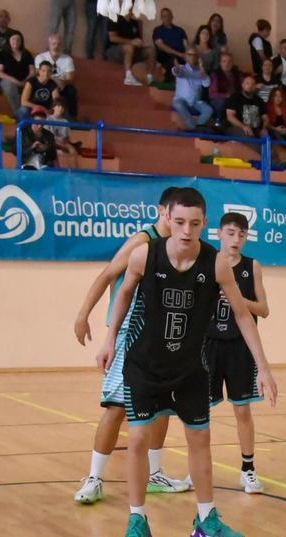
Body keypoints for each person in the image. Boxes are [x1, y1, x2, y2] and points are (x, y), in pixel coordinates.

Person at [98, 188, 278, 537]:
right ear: (167, 218)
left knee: (200, 441)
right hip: (143, 366)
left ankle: (206, 520)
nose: (185, 230)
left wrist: (264, 366)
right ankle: (137, 523)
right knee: (137, 440)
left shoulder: (215, 264)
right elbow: (123, 295)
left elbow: (244, 314)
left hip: (190, 368)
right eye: (179, 222)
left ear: (204, 224)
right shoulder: (144, 255)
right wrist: (109, 337)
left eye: (194, 223)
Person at [69, 189, 193, 505]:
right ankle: (94, 477)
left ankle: (153, 474)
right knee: (116, 406)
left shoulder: (179, 249)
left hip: (162, 337)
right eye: (174, 216)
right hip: (130, 332)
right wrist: (84, 315)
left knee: (164, 405)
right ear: (163, 212)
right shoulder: (142, 241)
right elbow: (107, 275)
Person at [209, 212, 271, 495]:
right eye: (231, 233)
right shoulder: (207, 262)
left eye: (241, 235)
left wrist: (238, 298)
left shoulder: (251, 266)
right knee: (198, 411)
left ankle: (248, 469)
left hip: (240, 347)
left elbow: (263, 310)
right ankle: (198, 469)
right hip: (208, 345)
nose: (236, 240)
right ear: (219, 233)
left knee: (242, 410)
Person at [35, 34, 78, 117]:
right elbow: (37, 74)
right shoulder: (40, 57)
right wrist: (52, 80)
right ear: (49, 45)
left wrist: (63, 82)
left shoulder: (67, 59)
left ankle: (72, 118)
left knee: (71, 90)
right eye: (53, 44)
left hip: (60, 85)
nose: (56, 46)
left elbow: (70, 78)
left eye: (58, 44)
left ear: (62, 46)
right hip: (45, 84)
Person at [0, 31, 32, 115]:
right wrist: (15, 81)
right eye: (13, 39)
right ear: (9, 40)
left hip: (25, 81)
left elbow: (33, 71)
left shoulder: (27, 54)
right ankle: (18, 113)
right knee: (10, 85)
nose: (16, 42)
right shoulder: (2, 54)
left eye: (18, 39)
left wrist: (26, 80)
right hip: (7, 81)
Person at [109, 13, 148, 85]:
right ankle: (128, 76)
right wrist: (131, 42)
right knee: (129, 47)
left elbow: (138, 39)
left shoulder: (135, 23)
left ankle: (149, 78)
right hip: (114, 51)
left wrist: (140, 43)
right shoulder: (115, 18)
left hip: (133, 50)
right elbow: (112, 38)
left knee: (150, 50)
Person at [152, 6, 188, 74]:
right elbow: (161, 46)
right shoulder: (158, 30)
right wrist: (179, 54)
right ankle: (170, 80)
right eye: (164, 16)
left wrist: (189, 55)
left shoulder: (180, 30)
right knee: (174, 59)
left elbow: (186, 45)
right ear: (161, 18)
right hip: (166, 55)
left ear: (172, 16)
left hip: (181, 55)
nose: (167, 18)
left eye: (169, 15)